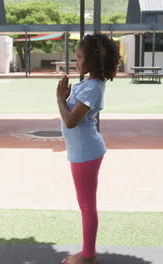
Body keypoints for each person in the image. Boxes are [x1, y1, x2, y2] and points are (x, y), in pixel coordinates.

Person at [57, 33, 120, 264]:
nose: (77, 61)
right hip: (82, 152)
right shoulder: (89, 83)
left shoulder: (92, 88)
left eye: (80, 57)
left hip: (86, 153)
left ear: (93, 60)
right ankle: (86, 252)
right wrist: (65, 97)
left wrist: (59, 99)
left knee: (86, 205)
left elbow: (71, 121)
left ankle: (87, 256)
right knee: (85, 203)